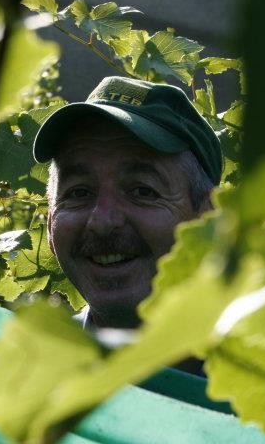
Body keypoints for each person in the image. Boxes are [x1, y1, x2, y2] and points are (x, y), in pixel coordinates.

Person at [33, 76, 222, 329]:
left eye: (142, 191)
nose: (102, 222)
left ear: (209, 221)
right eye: (79, 193)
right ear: (49, 223)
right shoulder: (11, 353)